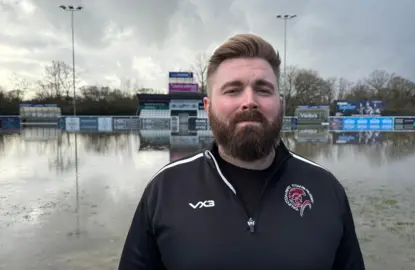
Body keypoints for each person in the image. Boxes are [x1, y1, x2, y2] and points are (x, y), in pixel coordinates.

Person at [118, 33, 365, 270]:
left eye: (263, 89)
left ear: (280, 103)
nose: (249, 101)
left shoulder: (325, 188)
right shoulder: (165, 188)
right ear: (208, 106)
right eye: (233, 90)